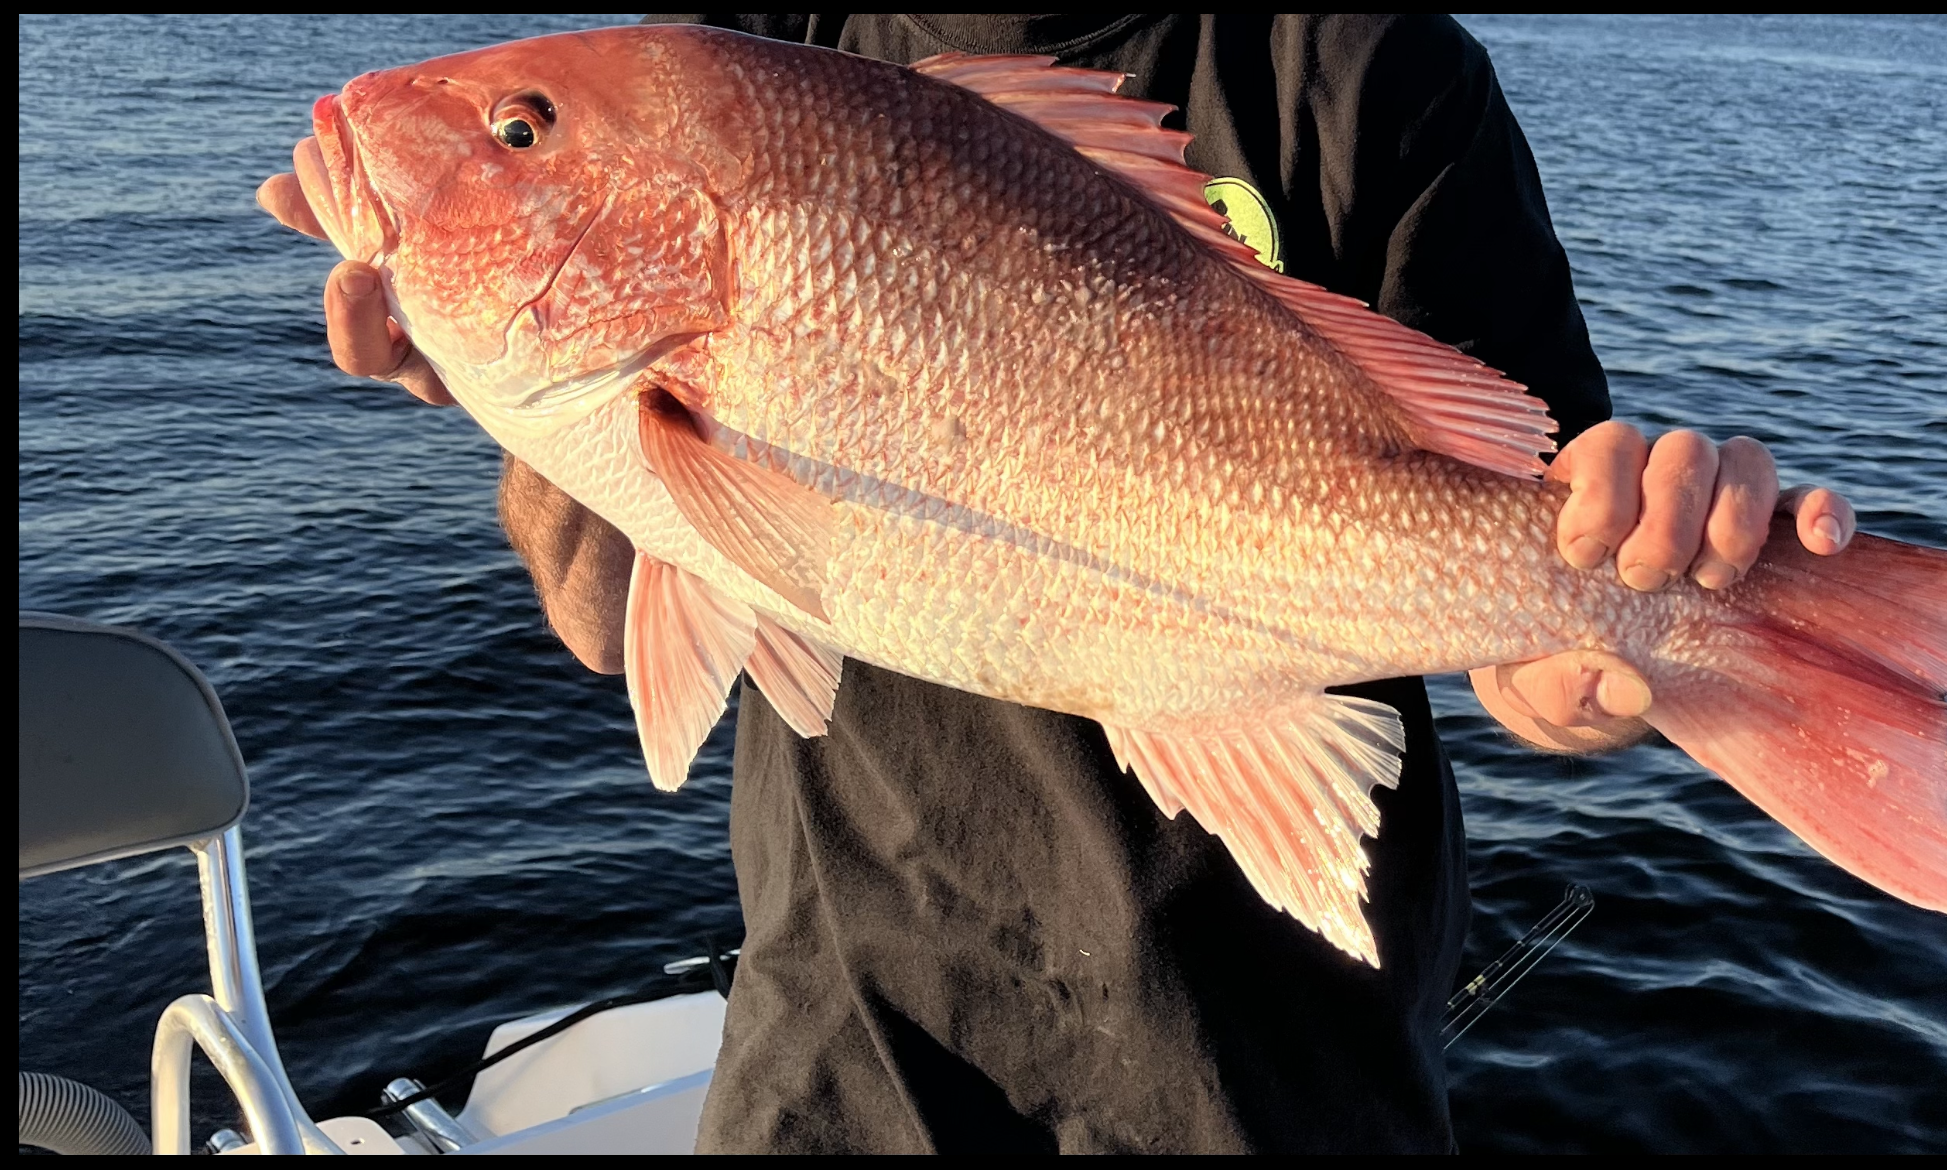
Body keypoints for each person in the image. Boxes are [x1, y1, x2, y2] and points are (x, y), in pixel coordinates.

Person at [260, 14, 1855, 1153]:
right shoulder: (760, 42)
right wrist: (515, 392)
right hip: (851, 1057)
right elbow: (608, 618)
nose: (491, 136)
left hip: (1280, 1082)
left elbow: (1544, 624)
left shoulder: (1365, 65)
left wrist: (1613, 644)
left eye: (520, 131)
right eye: (518, 129)